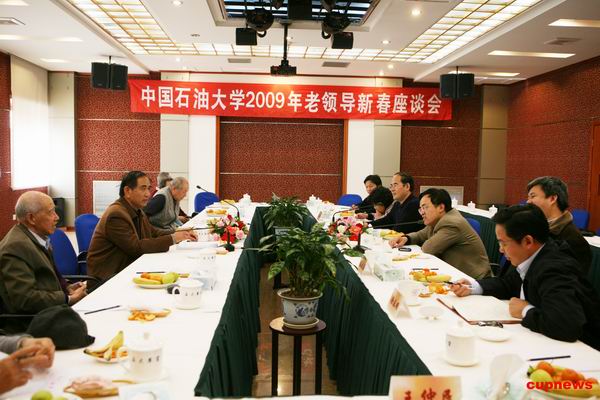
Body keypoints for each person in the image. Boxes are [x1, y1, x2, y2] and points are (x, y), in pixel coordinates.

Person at [451, 204, 600, 350]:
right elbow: (509, 284)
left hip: (584, 351)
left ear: (528, 241)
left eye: (503, 243)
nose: (501, 250)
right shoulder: (536, 255)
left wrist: (525, 310)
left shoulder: (555, 268)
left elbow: (566, 325)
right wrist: (474, 286)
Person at [0, 192, 87, 331]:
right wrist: (67, 299)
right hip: (33, 325)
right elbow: (25, 299)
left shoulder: (37, 238)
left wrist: (67, 287)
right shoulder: (15, 247)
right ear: (31, 218)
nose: (57, 217)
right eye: (51, 212)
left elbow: (45, 277)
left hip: (50, 313)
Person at [87, 171, 197, 281]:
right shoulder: (116, 214)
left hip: (128, 267)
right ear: (127, 191)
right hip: (108, 276)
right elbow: (136, 248)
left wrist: (180, 234)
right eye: (143, 188)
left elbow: (153, 232)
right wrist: (173, 238)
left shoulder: (137, 210)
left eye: (148, 188)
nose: (148, 194)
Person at [391, 188, 491, 279]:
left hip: (475, 280)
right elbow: (421, 234)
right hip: (455, 274)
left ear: (441, 207)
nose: (422, 212)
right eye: (420, 209)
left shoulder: (452, 223)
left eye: (425, 207)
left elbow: (428, 248)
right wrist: (406, 238)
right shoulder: (438, 220)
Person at [526, 176, 591, 274]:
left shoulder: (574, 241)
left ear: (552, 198)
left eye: (533, 196)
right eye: (528, 197)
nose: (528, 201)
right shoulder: (534, 228)